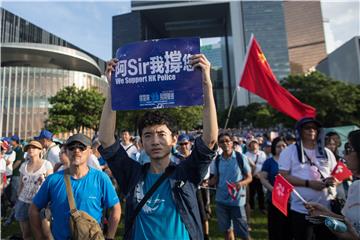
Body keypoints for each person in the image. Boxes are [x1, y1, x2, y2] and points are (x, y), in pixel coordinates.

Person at [98, 54, 218, 239]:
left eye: (162, 134)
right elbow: (106, 140)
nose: (155, 141)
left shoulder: (187, 172)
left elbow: (209, 140)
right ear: (141, 142)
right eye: (148, 135)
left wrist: (206, 85)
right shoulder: (132, 175)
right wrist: (113, 90)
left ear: (173, 139)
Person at [29, 134, 121, 240]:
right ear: (66, 151)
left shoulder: (101, 178)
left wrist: (110, 237)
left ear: (90, 152)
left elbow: (116, 208)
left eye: (82, 147)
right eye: (72, 147)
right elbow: (33, 209)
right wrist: (39, 237)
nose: (76, 150)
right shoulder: (53, 180)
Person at [278, 117, 338, 240]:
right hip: (302, 209)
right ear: (300, 131)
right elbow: (282, 176)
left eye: (314, 128)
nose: (311, 130)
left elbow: (336, 174)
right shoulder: (289, 151)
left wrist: (333, 181)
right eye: (307, 127)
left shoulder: (326, 152)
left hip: (326, 209)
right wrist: (308, 183)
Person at [305, 129, 360, 240]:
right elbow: (349, 226)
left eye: (349, 150)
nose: (344, 157)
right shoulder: (355, 187)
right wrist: (326, 215)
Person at [209, 133, 252, 240]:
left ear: (232, 143)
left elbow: (249, 177)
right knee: (227, 231)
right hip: (221, 200)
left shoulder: (240, 157)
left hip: (237, 200)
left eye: (227, 140)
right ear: (219, 144)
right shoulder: (217, 160)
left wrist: (240, 184)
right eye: (222, 141)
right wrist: (206, 183)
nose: (225, 143)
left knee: (243, 233)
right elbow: (216, 178)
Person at [15, 140, 53, 240]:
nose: (31, 149)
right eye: (29, 148)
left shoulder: (47, 164)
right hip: (23, 201)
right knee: (26, 233)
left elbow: (51, 185)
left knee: (42, 233)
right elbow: (21, 184)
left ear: (40, 150)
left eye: (34, 147)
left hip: (40, 203)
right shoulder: (24, 165)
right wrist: (18, 197)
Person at [258, 137, 292, 240]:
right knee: (275, 227)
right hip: (274, 199)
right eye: (278, 146)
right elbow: (263, 178)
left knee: (289, 228)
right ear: (274, 148)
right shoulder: (269, 162)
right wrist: (273, 190)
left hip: (290, 200)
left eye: (284, 146)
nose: (281, 148)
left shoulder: (292, 161)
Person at [245, 138, 267, 213]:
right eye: (252, 144)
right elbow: (246, 166)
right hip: (250, 176)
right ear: (249, 146)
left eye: (255, 143)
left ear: (258, 145)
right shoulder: (246, 155)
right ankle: (251, 207)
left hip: (260, 176)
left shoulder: (262, 153)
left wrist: (260, 174)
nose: (254, 145)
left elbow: (264, 165)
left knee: (260, 192)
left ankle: (262, 207)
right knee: (251, 192)